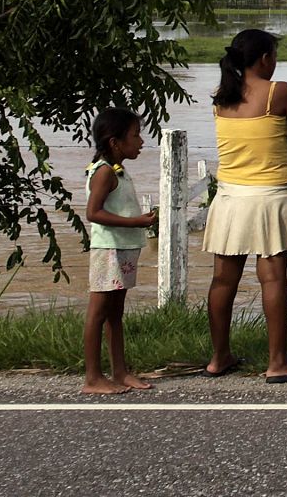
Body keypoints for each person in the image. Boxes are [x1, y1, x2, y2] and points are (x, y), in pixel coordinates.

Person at [202, 29, 287, 383]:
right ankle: (278, 361)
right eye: (274, 55)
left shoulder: (222, 97)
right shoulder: (278, 92)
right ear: (265, 58)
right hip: (270, 197)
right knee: (272, 278)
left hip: (229, 198)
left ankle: (219, 357)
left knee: (223, 279)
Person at [82, 107, 159, 395]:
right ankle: (92, 377)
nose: (141, 142)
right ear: (115, 142)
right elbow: (93, 213)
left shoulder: (117, 170)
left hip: (123, 249)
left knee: (115, 313)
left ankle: (119, 371)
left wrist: (138, 221)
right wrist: (135, 221)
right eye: (135, 136)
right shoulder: (103, 172)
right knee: (98, 311)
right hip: (108, 250)